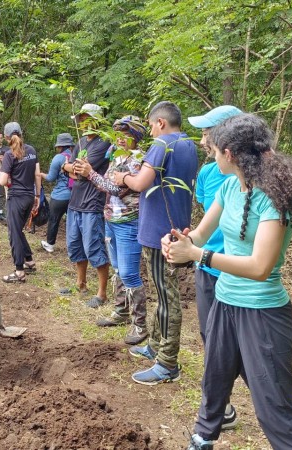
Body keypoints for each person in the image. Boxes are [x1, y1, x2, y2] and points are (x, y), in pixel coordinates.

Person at [162, 114, 292, 450]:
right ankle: (202, 439)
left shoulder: (272, 199)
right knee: (214, 382)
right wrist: (179, 242)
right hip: (225, 302)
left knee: (274, 405)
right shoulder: (230, 187)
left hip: (262, 313)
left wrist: (198, 256)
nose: (211, 156)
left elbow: (260, 267)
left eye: (214, 150)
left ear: (230, 154)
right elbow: (201, 234)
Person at [114, 101, 198, 385]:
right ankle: (154, 346)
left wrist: (122, 176)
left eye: (151, 125)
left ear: (161, 123)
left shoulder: (162, 145)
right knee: (162, 290)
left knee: (166, 295)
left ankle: (167, 362)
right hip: (174, 226)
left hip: (159, 232)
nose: (149, 131)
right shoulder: (187, 144)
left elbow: (140, 183)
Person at [187, 104, 243, 430]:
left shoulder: (257, 185)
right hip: (207, 270)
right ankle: (223, 407)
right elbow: (204, 224)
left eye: (207, 132)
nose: (202, 138)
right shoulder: (210, 175)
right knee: (211, 337)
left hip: (238, 273)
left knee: (240, 347)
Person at [74, 116, 147, 342]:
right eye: (118, 135)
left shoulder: (138, 161)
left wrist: (90, 173)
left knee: (129, 272)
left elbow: (116, 190)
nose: (121, 140)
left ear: (135, 137)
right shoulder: (115, 158)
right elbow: (106, 184)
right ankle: (121, 311)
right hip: (111, 220)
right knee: (117, 268)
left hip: (129, 221)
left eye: (126, 135)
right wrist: (93, 175)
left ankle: (140, 325)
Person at [61, 103, 111, 308]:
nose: (83, 123)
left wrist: (72, 168)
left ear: (96, 120)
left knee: (93, 245)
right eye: (81, 119)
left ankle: (102, 293)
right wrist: (71, 168)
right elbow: (70, 169)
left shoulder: (104, 142)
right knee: (74, 244)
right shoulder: (81, 142)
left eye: (87, 118)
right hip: (75, 201)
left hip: (93, 202)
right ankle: (80, 284)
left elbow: (81, 169)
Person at [0, 122, 40, 282]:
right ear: (21, 133)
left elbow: (2, 181)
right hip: (29, 197)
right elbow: (37, 174)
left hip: (16, 198)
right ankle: (29, 261)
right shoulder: (31, 150)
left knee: (14, 232)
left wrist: (4, 173)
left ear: (7, 137)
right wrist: (37, 196)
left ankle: (19, 271)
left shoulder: (9, 155)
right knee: (18, 230)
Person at [38, 133, 73, 253]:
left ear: (60, 146)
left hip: (59, 196)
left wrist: (42, 175)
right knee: (72, 222)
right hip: (74, 196)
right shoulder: (76, 156)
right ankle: (73, 246)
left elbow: (51, 178)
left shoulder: (58, 158)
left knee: (54, 219)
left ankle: (50, 244)